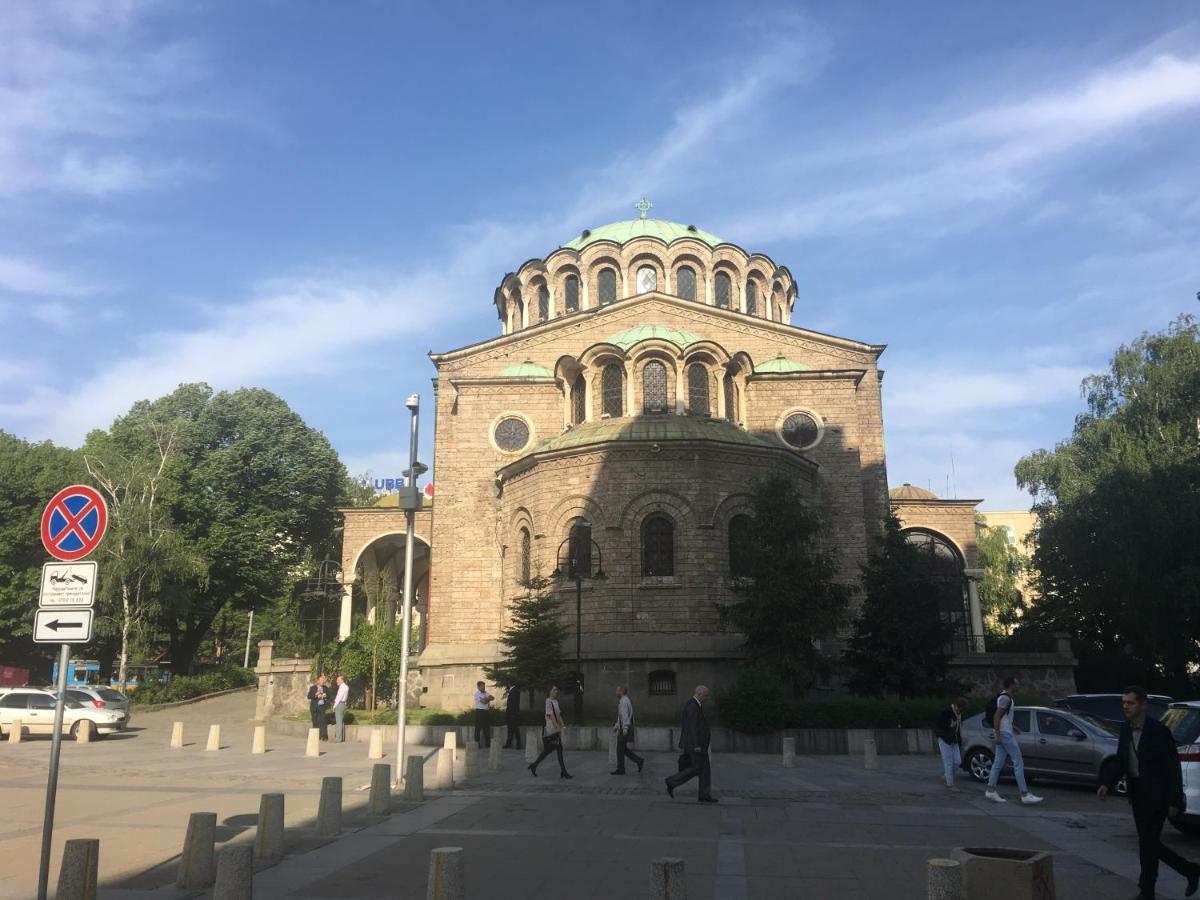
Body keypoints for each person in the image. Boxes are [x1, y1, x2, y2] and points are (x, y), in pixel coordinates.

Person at [1098, 685, 1200, 899]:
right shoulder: (1126, 729)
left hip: (1157, 795)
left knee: (1148, 843)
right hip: (1137, 794)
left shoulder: (1158, 731)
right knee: (1148, 843)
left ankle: (1147, 891)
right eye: (1124, 702)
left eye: (1130, 703)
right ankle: (1188, 870)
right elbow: (1121, 761)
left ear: (1143, 705)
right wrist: (1107, 783)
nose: (1125, 706)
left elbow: (1171, 768)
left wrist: (1174, 800)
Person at [985, 675, 1042, 805]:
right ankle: (1025, 794)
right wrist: (998, 736)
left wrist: (1012, 726)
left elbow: (1003, 718)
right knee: (1018, 762)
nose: (1018, 685)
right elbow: (996, 717)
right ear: (1011, 685)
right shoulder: (1005, 698)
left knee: (998, 763)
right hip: (1005, 734)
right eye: (1017, 683)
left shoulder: (1006, 697)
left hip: (1005, 732)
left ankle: (991, 790)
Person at [665, 685, 717, 803]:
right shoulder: (693, 706)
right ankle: (672, 781)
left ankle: (704, 794)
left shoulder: (696, 705)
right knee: (696, 768)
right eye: (705, 695)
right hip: (695, 745)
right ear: (699, 694)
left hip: (699, 745)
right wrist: (696, 744)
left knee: (704, 769)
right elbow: (692, 727)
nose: (707, 697)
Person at [528, 685, 571, 778]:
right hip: (551, 730)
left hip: (555, 730)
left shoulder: (556, 702)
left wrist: (563, 726)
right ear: (550, 691)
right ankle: (563, 772)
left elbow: (558, 716)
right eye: (554, 690)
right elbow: (551, 716)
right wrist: (557, 728)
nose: (556, 691)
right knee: (556, 749)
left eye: (556, 689)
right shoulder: (548, 702)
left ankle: (534, 765)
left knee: (550, 751)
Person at [934, 696, 967, 791]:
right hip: (944, 738)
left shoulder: (959, 713)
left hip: (953, 739)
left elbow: (957, 728)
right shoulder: (946, 712)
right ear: (956, 706)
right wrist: (950, 725)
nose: (960, 711)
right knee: (948, 762)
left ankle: (946, 776)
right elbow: (938, 725)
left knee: (957, 761)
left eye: (961, 710)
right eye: (959, 709)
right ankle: (950, 784)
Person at [611, 685, 645, 775]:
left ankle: (622, 768)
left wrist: (625, 728)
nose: (616, 693)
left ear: (621, 692)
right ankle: (638, 761)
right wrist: (617, 726)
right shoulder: (624, 700)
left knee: (620, 748)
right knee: (622, 748)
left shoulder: (624, 701)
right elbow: (621, 716)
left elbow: (625, 716)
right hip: (624, 727)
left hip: (625, 728)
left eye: (617, 691)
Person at [307, 675, 329, 741]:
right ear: (318, 681)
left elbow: (329, 695)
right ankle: (316, 736)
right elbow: (309, 696)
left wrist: (325, 695)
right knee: (315, 722)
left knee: (323, 721)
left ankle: (324, 736)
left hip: (322, 707)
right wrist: (316, 695)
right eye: (321, 680)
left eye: (323, 680)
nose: (322, 682)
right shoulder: (313, 688)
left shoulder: (325, 688)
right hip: (314, 707)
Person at [474, 681, 495, 747]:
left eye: (484, 686)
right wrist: (488, 699)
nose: (483, 687)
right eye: (482, 686)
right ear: (478, 687)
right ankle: (477, 744)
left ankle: (488, 744)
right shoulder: (477, 694)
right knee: (478, 728)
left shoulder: (486, 693)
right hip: (479, 712)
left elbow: (493, 697)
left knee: (487, 728)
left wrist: (487, 699)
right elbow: (483, 702)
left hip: (486, 712)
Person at [503, 685, 522, 749]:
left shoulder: (514, 691)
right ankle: (509, 743)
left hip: (512, 714)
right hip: (512, 714)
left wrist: (511, 714)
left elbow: (513, 704)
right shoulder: (514, 690)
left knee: (515, 729)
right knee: (510, 729)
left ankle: (518, 744)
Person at [333, 674, 350, 743]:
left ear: (342, 680)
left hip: (340, 704)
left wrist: (334, 706)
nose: (337, 681)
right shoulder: (346, 687)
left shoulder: (342, 687)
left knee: (338, 721)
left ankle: (338, 738)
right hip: (343, 704)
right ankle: (340, 737)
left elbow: (339, 697)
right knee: (341, 721)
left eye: (338, 680)